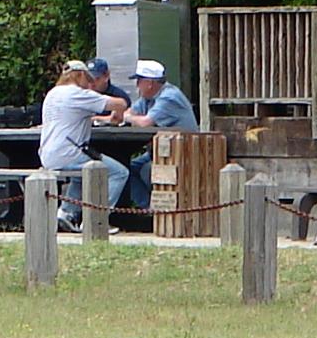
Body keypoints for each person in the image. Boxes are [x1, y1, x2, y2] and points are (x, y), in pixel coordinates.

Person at [38, 60, 129, 233]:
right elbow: (121, 103)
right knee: (119, 172)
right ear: (79, 76)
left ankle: (66, 212)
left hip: (48, 153)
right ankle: (96, 219)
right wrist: (117, 117)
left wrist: (107, 119)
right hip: (69, 152)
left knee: (82, 173)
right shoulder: (77, 94)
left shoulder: (53, 94)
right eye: (88, 79)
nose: (90, 84)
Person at [123, 59, 199, 209]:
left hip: (183, 152)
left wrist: (130, 118)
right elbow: (130, 112)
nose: (137, 85)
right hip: (162, 151)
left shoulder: (169, 97)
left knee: (147, 170)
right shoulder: (148, 98)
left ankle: (154, 210)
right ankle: (147, 209)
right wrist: (130, 116)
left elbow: (145, 122)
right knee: (126, 169)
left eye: (139, 81)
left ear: (149, 83)